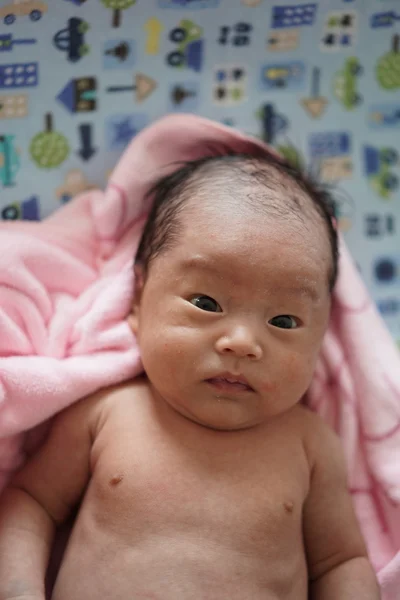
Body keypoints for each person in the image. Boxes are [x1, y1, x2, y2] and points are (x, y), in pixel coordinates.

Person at [0, 148, 380, 599]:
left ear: (322, 334)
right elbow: (31, 503)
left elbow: (342, 562)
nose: (241, 342)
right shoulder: (108, 414)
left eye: (283, 321)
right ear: (138, 300)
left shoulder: (310, 444)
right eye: (205, 303)